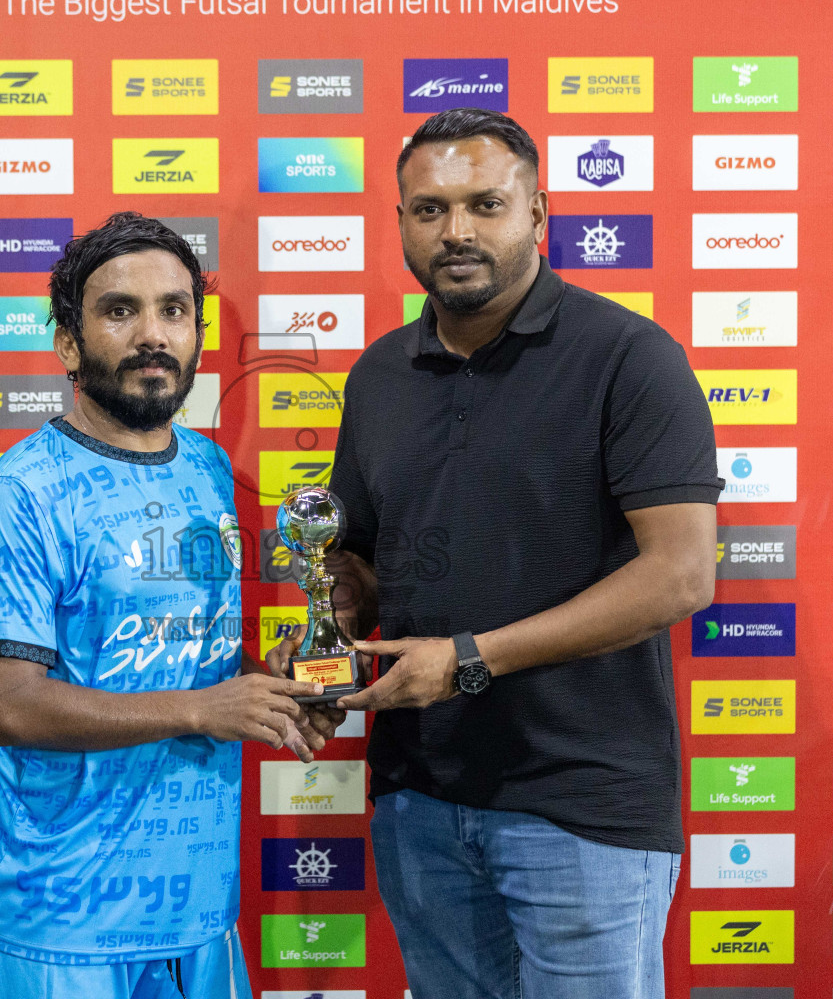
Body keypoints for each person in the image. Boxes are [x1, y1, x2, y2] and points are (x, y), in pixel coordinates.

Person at [269, 109, 722, 998]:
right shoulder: (379, 374)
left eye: (486, 203)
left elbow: (681, 573)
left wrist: (469, 661)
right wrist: (326, 644)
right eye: (429, 210)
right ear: (400, 223)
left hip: (581, 805)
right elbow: (355, 556)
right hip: (421, 801)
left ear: (538, 212)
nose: (458, 231)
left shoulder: (628, 356)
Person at [0, 211, 338, 999]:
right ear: (68, 342)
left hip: (197, 911)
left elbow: (185, 655)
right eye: (119, 310)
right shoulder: (17, 494)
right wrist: (205, 709)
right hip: (57, 917)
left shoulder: (204, 465)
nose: (152, 335)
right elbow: (13, 708)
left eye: (173, 310)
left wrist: (265, 687)